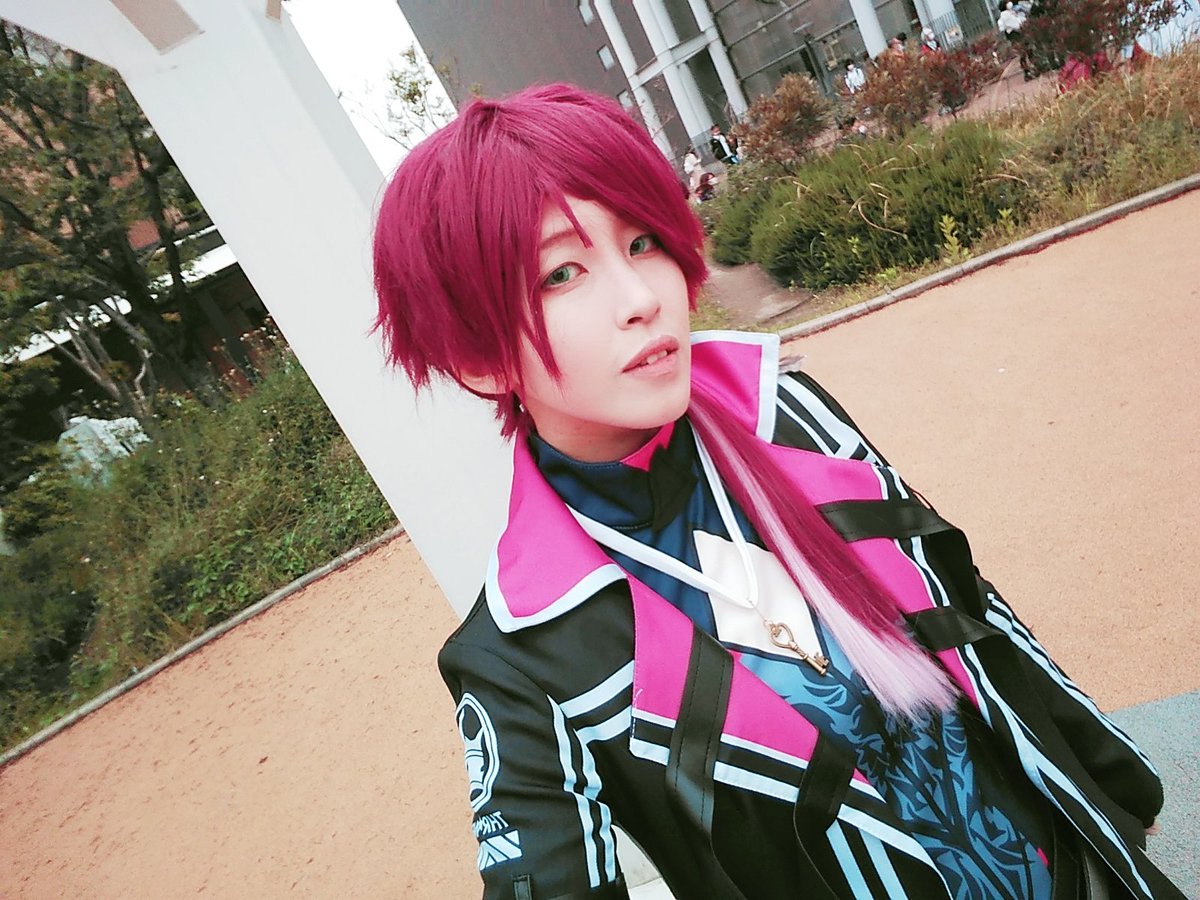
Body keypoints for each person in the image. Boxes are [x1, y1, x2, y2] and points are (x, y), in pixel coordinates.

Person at [372, 84, 1184, 899]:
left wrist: (1114, 781)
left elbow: (963, 599)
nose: (643, 299)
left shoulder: (786, 416)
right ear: (476, 356)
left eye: (642, 240)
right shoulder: (520, 655)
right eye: (562, 272)